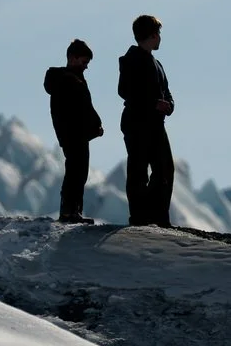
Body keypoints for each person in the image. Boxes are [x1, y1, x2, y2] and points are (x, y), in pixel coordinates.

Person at [117, 14, 175, 226]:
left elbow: (167, 92)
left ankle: (158, 217)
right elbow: (124, 90)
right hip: (137, 122)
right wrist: (153, 104)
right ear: (151, 35)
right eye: (158, 34)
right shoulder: (130, 59)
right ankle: (140, 218)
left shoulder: (157, 63)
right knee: (139, 170)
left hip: (156, 124)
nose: (160, 38)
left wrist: (169, 105)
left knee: (165, 169)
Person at [44, 39, 104, 223]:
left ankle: (71, 211)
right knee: (76, 171)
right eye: (84, 62)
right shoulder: (69, 80)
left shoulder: (65, 79)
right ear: (72, 58)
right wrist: (94, 125)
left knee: (77, 170)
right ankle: (70, 211)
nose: (86, 66)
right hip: (74, 134)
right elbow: (82, 108)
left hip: (72, 133)